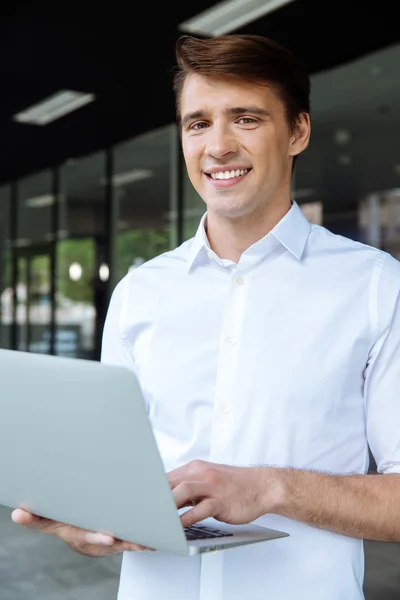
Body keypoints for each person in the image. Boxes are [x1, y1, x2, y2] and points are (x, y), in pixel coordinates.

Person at [12, 34, 400, 600]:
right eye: (197, 124)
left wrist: (271, 488)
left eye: (245, 118)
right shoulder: (139, 293)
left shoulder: (375, 285)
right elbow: (116, 477)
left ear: (298, 131)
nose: (217, 145)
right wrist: (83, 516)